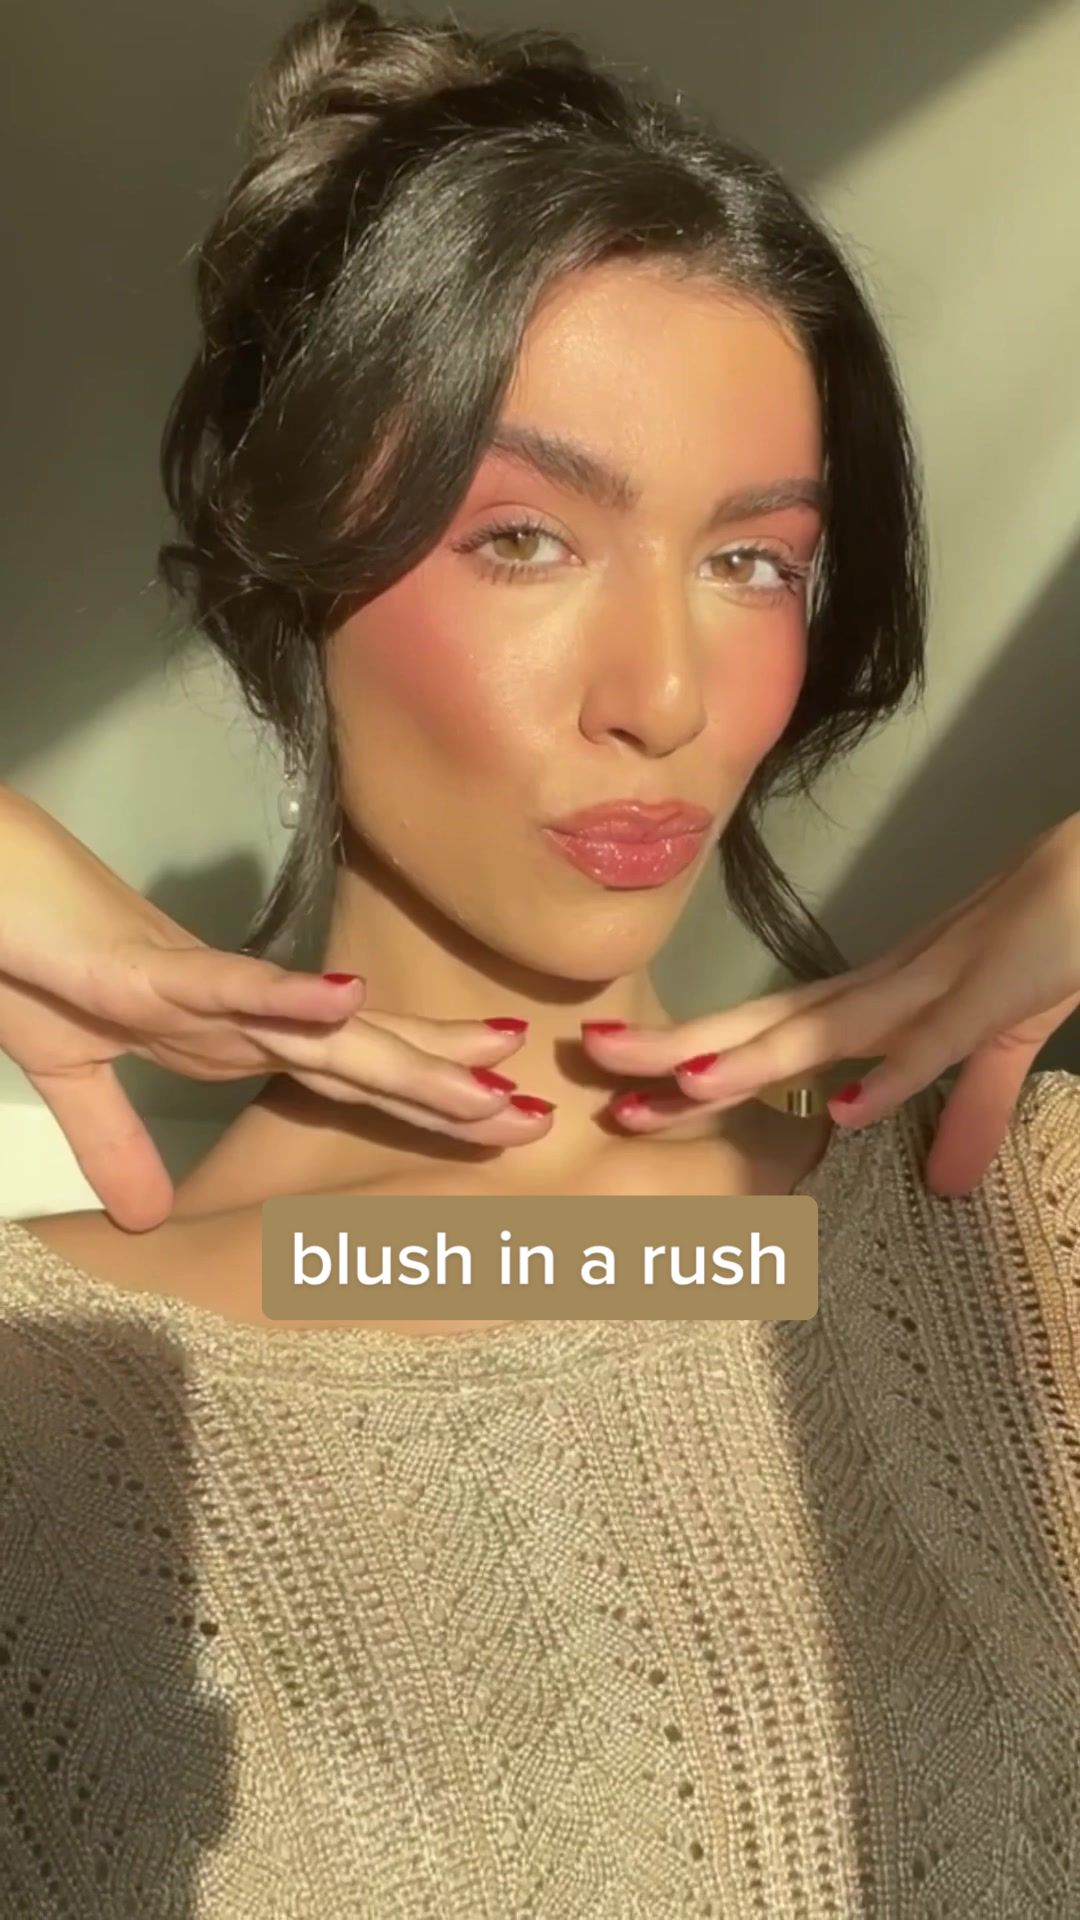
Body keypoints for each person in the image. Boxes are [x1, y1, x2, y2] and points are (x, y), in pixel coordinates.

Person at [0, 3, 1077, 1912]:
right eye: (523, 539)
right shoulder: (53, 1402)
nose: (664, 695)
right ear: (285, 577)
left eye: (752, 561)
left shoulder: (1017, 1233)